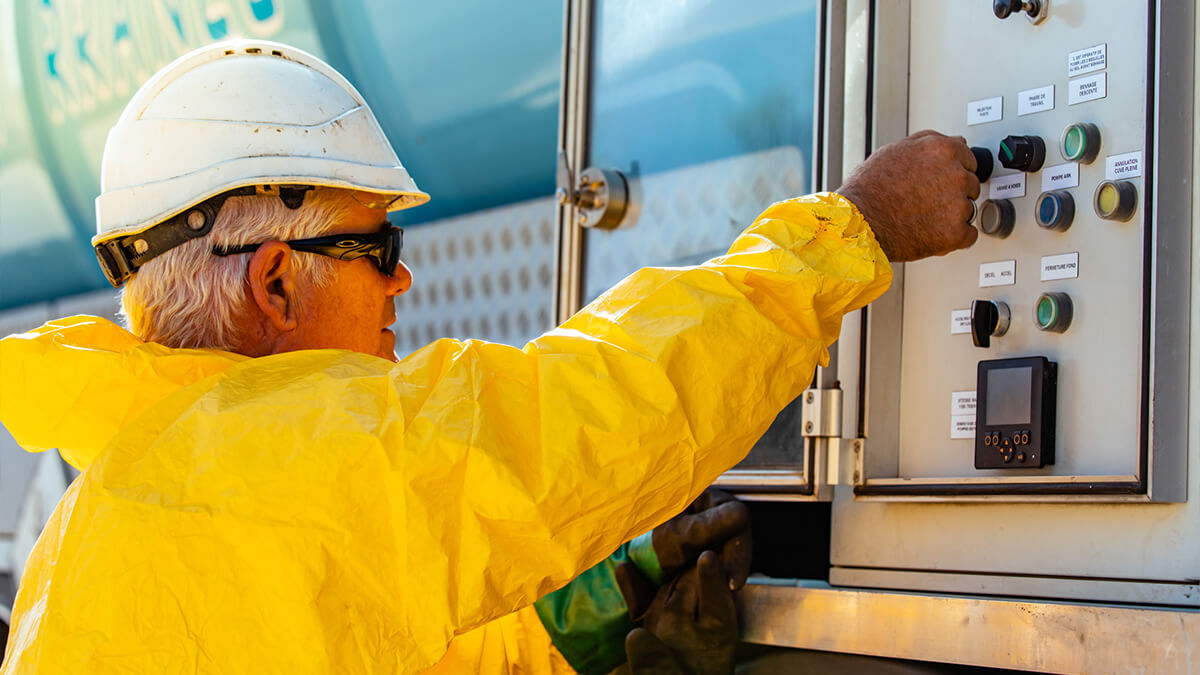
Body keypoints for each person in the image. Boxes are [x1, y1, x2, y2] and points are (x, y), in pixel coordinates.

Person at [0, 39, 979, 673]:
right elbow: (615, 403)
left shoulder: (111, 513)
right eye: (374, 248)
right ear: (273, 283)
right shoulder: (305, 452)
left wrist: (581, 617)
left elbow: (376, 637)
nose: (401, 284)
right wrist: (857, 228)